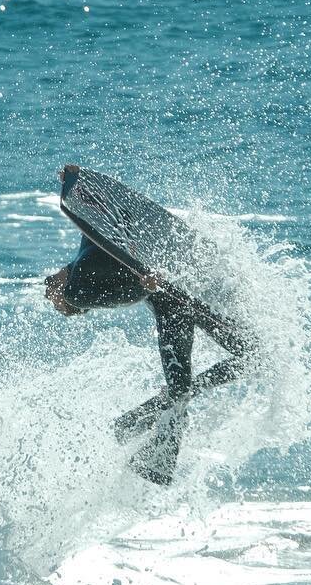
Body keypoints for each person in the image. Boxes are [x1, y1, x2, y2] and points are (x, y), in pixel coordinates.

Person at [45, 173, 255, 485]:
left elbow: (108, 217)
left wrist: (76, 182)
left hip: (178, 285)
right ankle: (153, 449)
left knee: (221, 371)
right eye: (53, 299)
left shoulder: (83, 247)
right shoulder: (79, 290)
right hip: (175, 301)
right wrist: (143, 283)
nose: (48, 290)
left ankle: (136, 425)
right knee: (252, 357)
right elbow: (122, 291)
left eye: (49, 289)